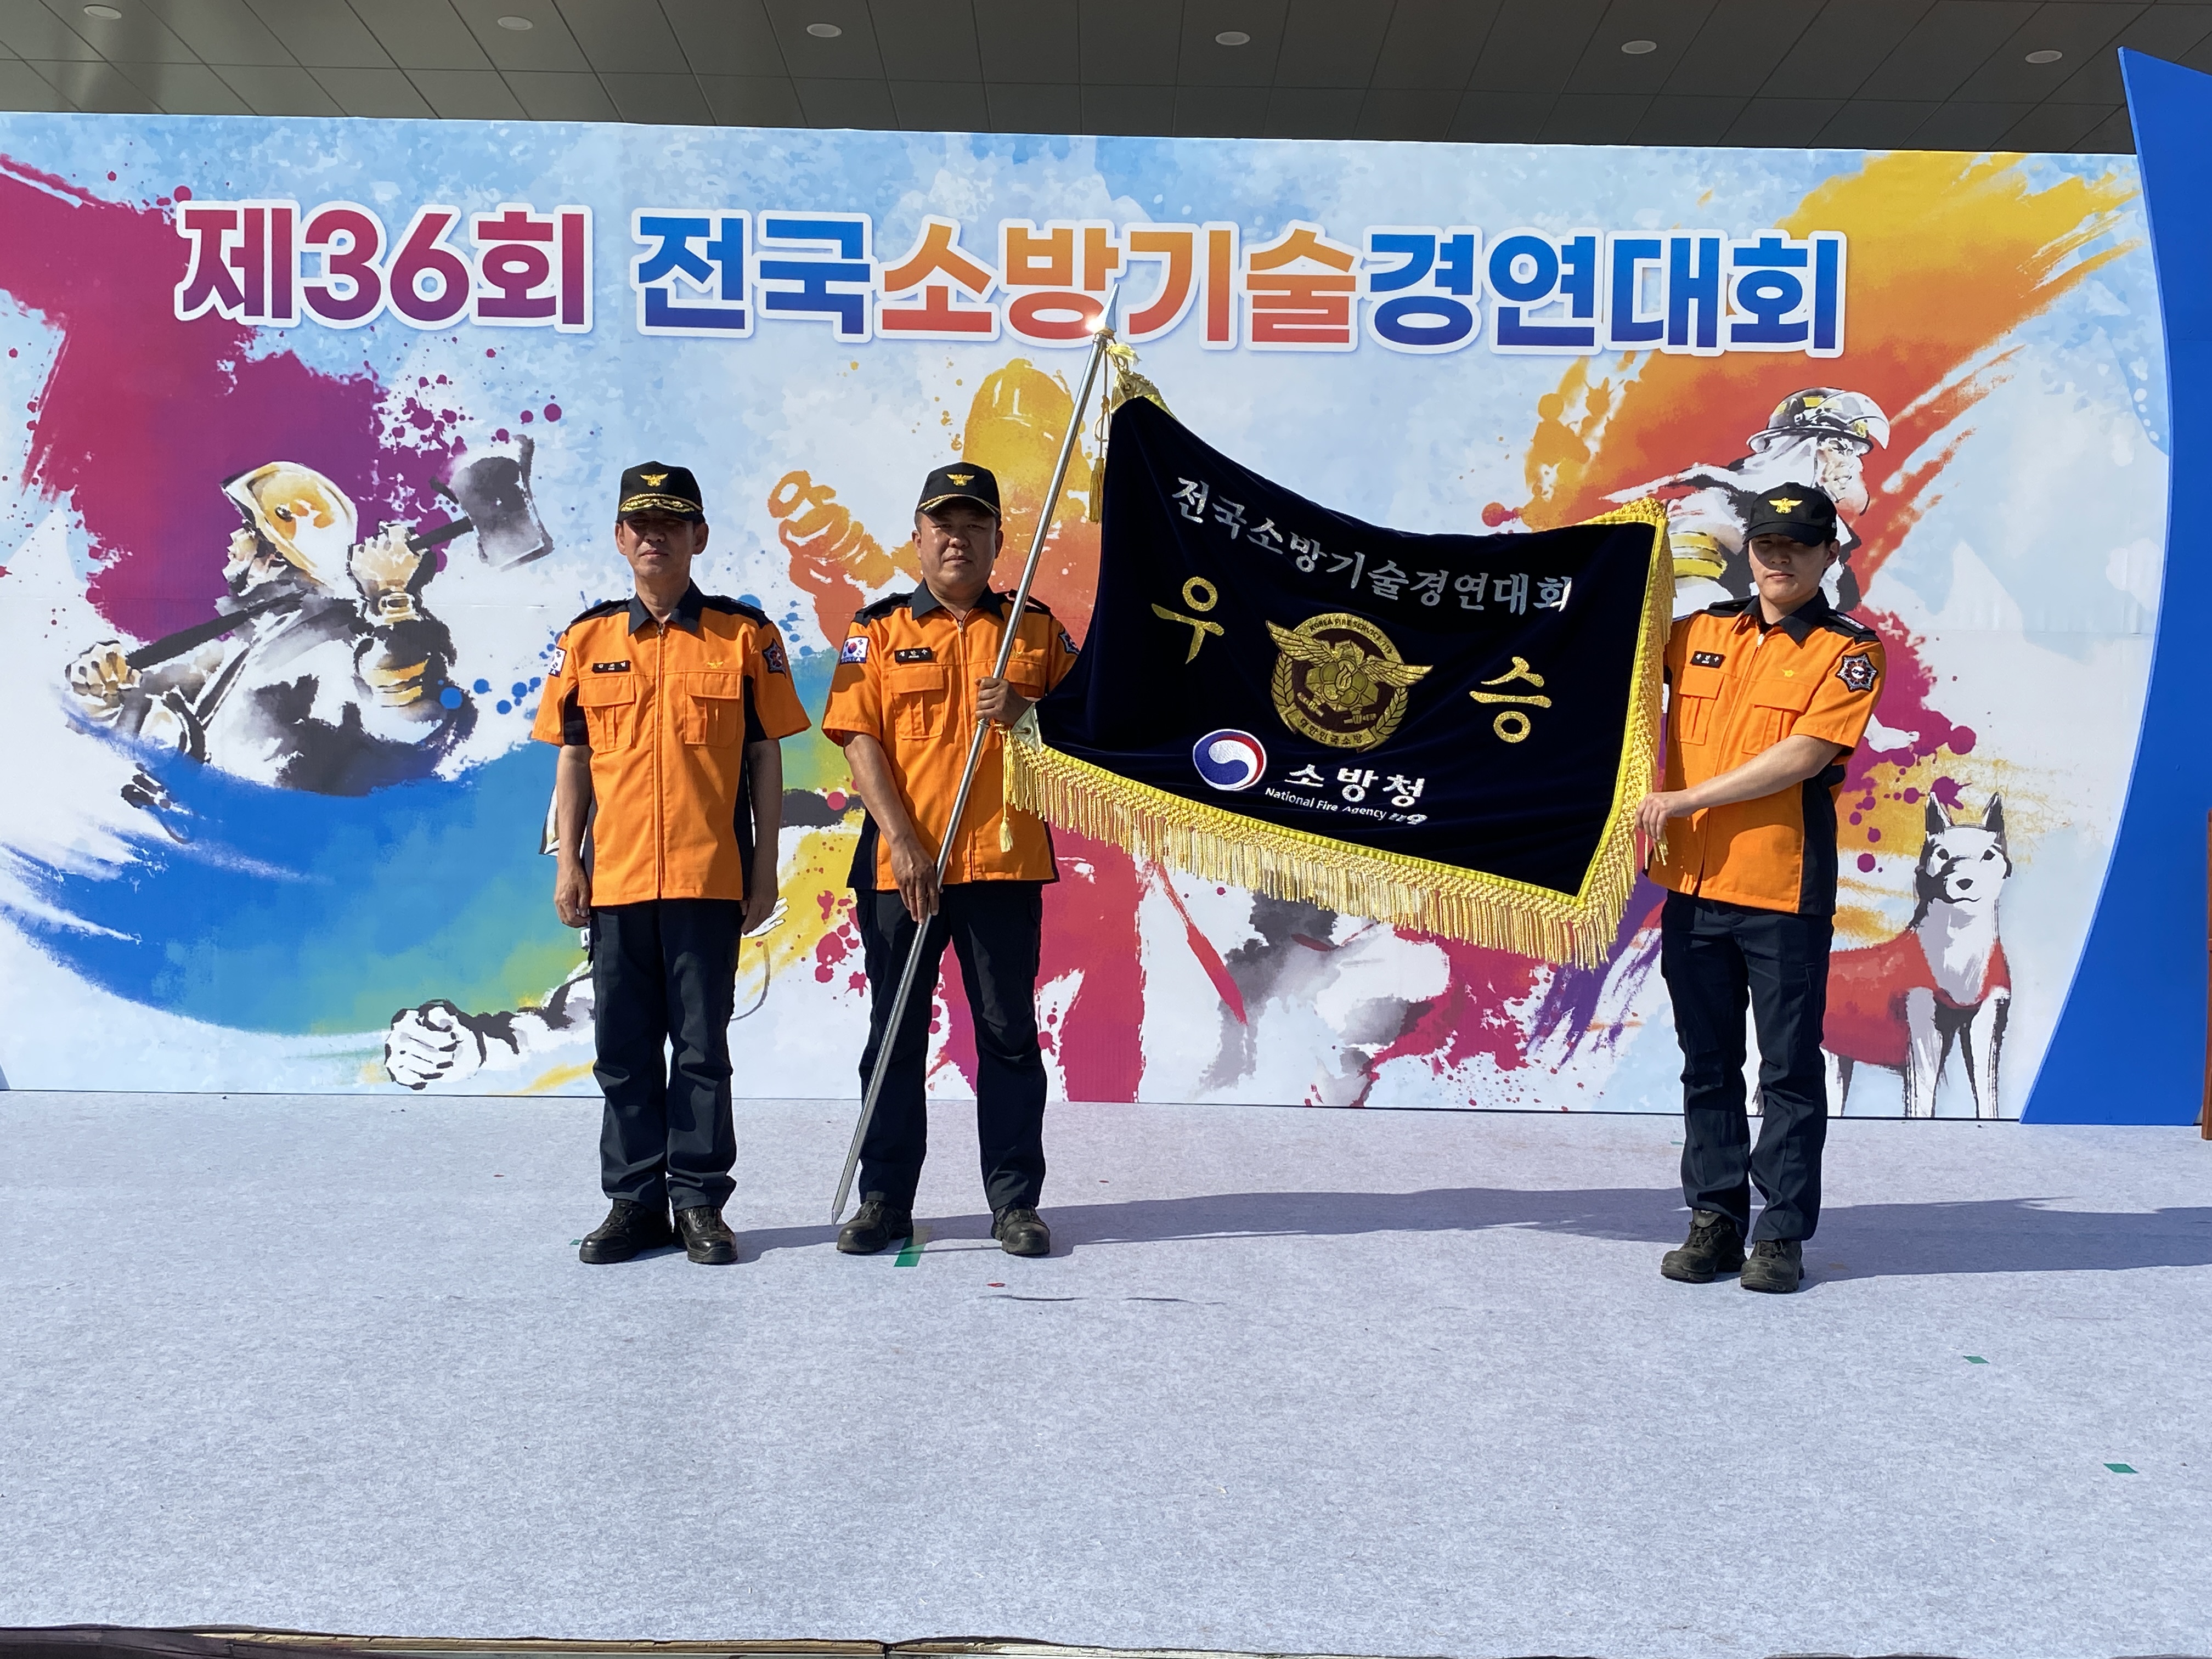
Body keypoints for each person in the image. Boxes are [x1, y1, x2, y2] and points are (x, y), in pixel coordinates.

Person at [530, 463, 809, 1266]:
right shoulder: (587, 640)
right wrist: (569, 865)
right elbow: (573, 761)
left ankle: (698, 1202)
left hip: (707, 878)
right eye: (641, 524)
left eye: (672, 523)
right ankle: (634, 1203)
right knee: (622, 1052)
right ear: (621, 538)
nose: (655, 536)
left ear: (699, 537)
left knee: (701, 1051)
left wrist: (764, 868)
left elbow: (764, 758)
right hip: (616, 882)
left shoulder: (744, 636)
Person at [821, 462, 1079, 1259]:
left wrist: (1029, 711)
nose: (958, 539)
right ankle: (884, 1201)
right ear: (918, 538)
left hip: (1003, 866)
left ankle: (1015, 1202)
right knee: (895, 1038)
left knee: (1008, 1037)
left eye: (974, 526)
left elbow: (1089, 735)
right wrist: (902, 842)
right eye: (944, 525)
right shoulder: (878, 629)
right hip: (903, 872)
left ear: (1000, 539)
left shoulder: (1035, 629)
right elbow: (858, 738)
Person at [1633, 483, 1886, 1294]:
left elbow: (1803, 757)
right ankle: (1714, 1219)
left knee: (1787, 1072)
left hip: (1783, 889)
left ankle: (1780, 1235)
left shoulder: (1849, 651)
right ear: (1751, 550)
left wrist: (1685, 800)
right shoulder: (1698, 632)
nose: (1781, 559)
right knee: (1707, 1063)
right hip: (1694, 888)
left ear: (1828, 555)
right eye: (1769, 544)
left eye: (1799, 546)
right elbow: (1610, 655)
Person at [65, 461, 473, 794]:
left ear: (277, 552)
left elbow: (403, 715)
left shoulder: (335, 643)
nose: (233, 539)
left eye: (248, 528)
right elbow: (178, 718)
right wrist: (108, 694)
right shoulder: (262, 636)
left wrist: (390, 595)